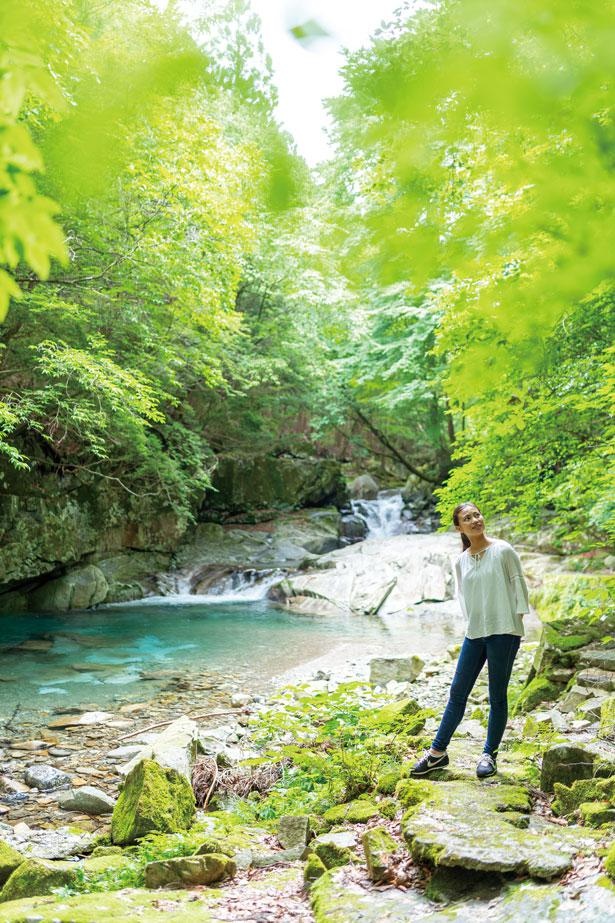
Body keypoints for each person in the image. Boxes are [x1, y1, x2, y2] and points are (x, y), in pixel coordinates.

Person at [410, 501, 529, 779]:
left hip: (504, 632)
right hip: (475, 633)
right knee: (457, 692)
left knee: (496, 696)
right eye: (467, 518)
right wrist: (473, 623)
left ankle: (490, 754)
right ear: (459, 527)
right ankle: (437, 754)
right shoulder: (460, 560)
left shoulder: (503, 550)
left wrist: (516, 626)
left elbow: (519, 586)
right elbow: (464, 597)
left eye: (477, 514)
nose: (475, 520)